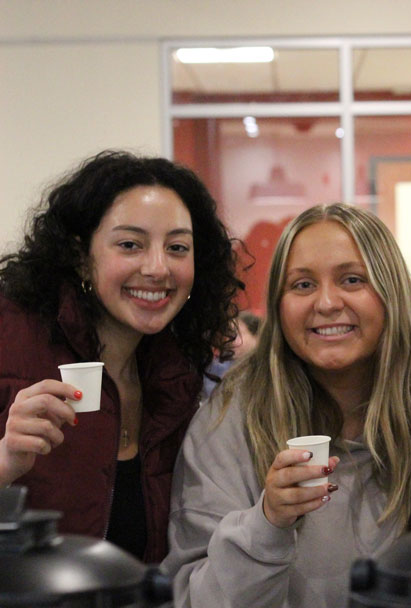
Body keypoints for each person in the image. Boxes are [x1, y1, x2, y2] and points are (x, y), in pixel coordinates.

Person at [162, 203, 411, 608]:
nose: (326, 303)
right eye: (302, 284)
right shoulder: (230, 422)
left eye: (352, 280)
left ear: (391, 293)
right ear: (279, 307)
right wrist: (268, 522)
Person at [0, 150, 240, 562]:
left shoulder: (178, 374)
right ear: (80, 256)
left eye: (178, 247)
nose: (157, 268)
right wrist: (4, 463)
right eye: (130, 244)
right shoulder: (11, 336)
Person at [201, 310, 262, 401]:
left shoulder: (267, 367)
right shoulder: (219, 367)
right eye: (228, 335)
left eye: (235, 334)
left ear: (256, 336)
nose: (228, 341)